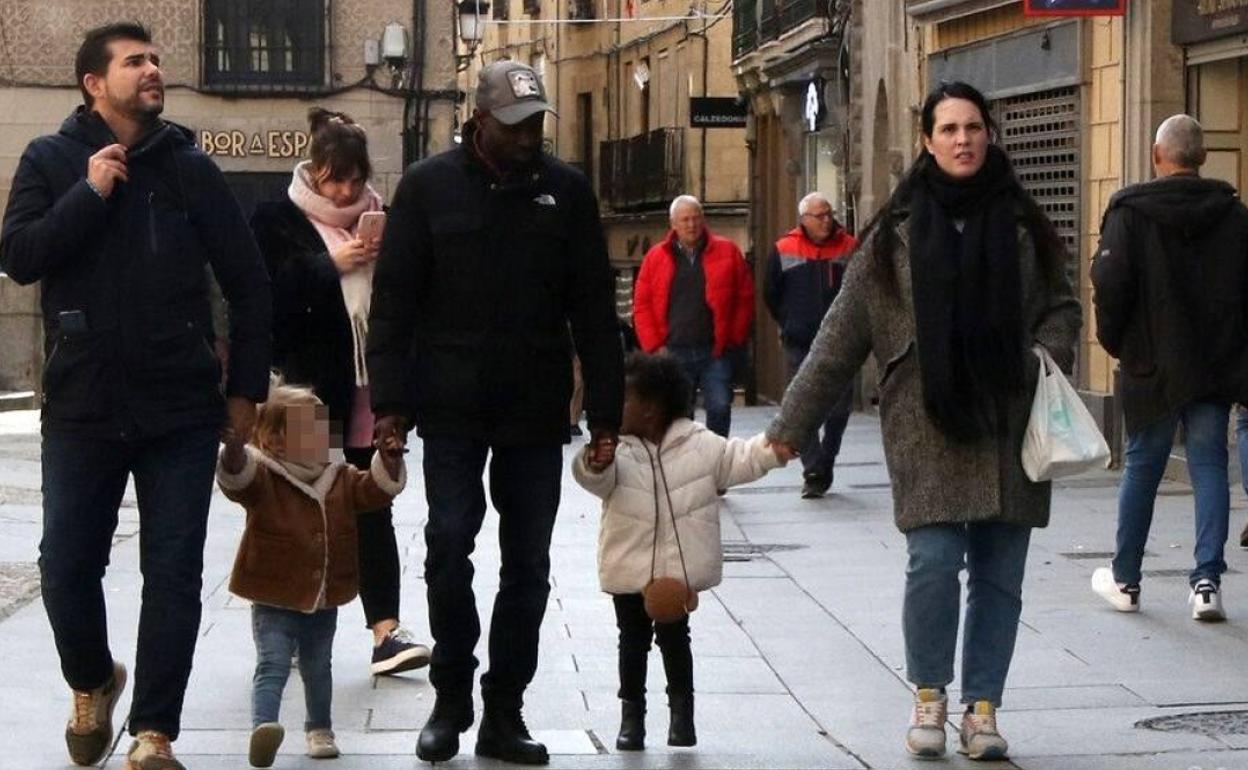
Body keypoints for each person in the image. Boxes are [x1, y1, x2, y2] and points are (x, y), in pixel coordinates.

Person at [766, 81, 1080, 761]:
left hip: (1010, 421)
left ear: (989, 134)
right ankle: (931, 696)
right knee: (933, 563)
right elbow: (837, 338)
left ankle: (983, 709)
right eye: (949, 129)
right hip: (927, 424)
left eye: (973, 127)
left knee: (1000, 576)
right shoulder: (892, 238)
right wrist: (789, 428)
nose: (963, 140)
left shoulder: (1025, 226)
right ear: (928, 141)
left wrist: (1043, 355)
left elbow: (1062, 307)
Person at [0, 22, 271, 770]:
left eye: (155, 59)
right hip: (83, 404)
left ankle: (154, 734)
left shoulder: (189, 165)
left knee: (175, 572)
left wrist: (245, 390)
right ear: (94, 82)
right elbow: (19, 256)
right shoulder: (51, 159)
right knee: (64, 566)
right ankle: (93, 680)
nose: (153, 69)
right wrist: (87, 194)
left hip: (179, 406)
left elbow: (250, 284)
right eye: (135, 62)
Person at [367, 60, 624, 765]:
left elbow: (595, 312)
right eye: (513, 126)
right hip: (448, 405)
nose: (527, 137)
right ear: (478, 120)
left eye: (536, 124)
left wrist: (606, 414)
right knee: (449, 542)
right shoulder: (427, 188)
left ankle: (504, 709)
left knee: (529, 564)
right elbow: (392, 304)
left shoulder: (565, 192)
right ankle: (452, 696)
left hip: (535, 409)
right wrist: (390, 406)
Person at [250, 107, 431, 676]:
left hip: (373, 390)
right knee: (302, 508)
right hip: (308, 390)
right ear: (313, 170)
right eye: (336, 178)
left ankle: (386, 632)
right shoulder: (276, 218)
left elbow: (414, 297)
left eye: (356, 178)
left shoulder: (386, 218)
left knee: (372, 502)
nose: (348, 189)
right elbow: (266, 299)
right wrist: (330, 265)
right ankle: (296, 625)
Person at [572, 352, 784, 752]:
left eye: (624, 400)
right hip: (628, 565)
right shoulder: (617, 450)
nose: (615, 408)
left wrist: (774, 449)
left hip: (675, 572)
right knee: (630, 641)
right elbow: (594, 481)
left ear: (650, 409)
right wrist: (594, 465)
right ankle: (631, 717)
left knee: (675, 640)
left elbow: (740, 457)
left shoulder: (699, 445)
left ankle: (681, 715)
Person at [1089, 114, 1248, 621]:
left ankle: (1126, 578)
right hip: (1212, 364)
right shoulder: (1234, 215)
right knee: (1208, 466)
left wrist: (1118, 343)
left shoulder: (1129, 212)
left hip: (1151, 363)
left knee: (1143, 465)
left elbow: (1109, 283)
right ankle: (1207, 583)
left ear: (1159, 155)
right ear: (1201, 158)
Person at [217, 377, 406, 767]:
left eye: (323, 426)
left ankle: (319, 728)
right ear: (276, 439)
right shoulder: (265, 476)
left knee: (318, 666)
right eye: (308, 428)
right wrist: (234, 451)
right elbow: (237, 481)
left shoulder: (339, 476)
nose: (320, 435)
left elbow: (375, 491)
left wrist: (389, 460)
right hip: (273, 593)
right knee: (272, 662)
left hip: (324, 594)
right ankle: (263, 726)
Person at [632, 195, 754, 438]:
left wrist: (734, 337)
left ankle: (716, 458)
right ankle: (687, 462)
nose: (691, 225)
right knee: (680, 415)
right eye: (685, 219)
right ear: (673, 224)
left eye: (696, 218)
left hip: (715, 351)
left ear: (703, 219)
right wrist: (655, 347)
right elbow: (642, 305)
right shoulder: (656, 258)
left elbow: (745, 296)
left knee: (720, 406)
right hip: (673, 352)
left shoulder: (727, 251)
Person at [764, 192, 858, 498]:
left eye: (829, 214)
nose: (826, 220)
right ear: (804, 219)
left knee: (839, 409)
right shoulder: (783, 248)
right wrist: (788, 321)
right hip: (800, 341)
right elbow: (771, 293)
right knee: (802, 407)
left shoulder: (848, 247)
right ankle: (814, 468)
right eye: (819, 216)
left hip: (842, 343)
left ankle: (826, 460)